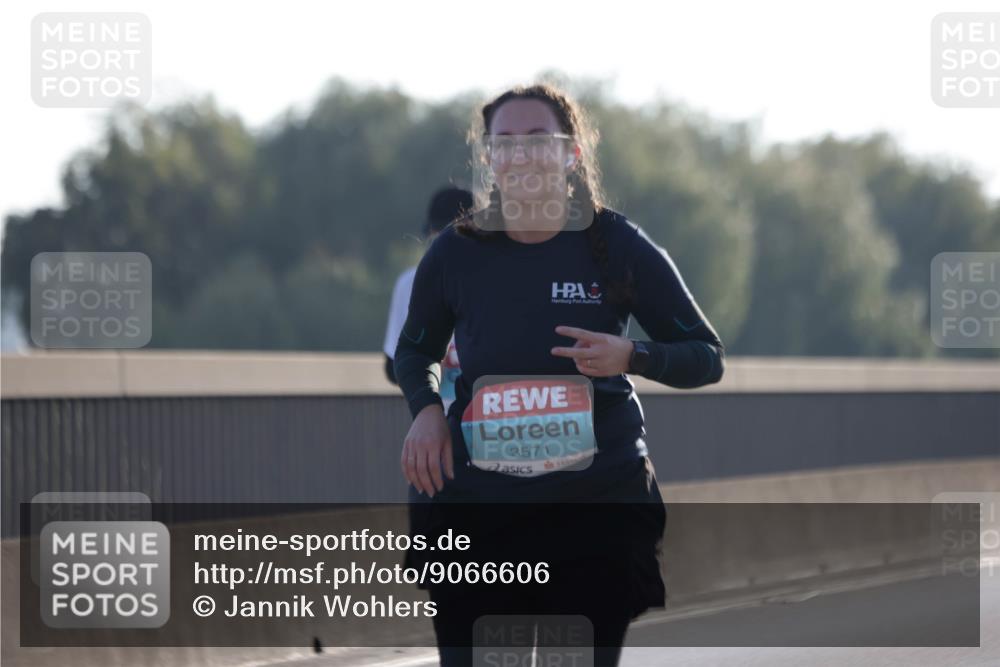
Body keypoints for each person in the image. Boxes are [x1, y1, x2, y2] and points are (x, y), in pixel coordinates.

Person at [393, 83, 725, 666]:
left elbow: (705, 355)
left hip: (593, 506)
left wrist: (632, 355)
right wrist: (424, 411)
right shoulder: (456, 252)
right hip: (482, 508)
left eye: (538, 139)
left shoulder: (614, 246)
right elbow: (413, 352)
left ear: (570, 152)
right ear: (489, 156)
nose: (521, 155)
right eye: (505, 142)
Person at [383, 187, 472, 413]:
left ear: (430, 231)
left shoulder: (410, 281)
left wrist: (428, 364)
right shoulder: (409, 282)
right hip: (484, 417)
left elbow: (395, 367)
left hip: (436, 419)